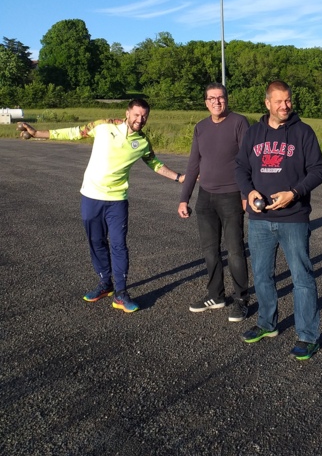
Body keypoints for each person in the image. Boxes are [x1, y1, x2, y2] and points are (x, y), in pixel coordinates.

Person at [17, 99, 185, 313]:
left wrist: (179, 177)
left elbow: (155, 164)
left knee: (119, 245)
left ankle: (121, 293)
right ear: (127, 113)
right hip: (91, 196)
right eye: (136, 114)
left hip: (117, 201)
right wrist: (37, 133)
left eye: (144, 116)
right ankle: (105, 284)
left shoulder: (142, 142)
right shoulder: (104, 126)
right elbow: (74, 132)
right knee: (96, 242)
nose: (140, 119)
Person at [235, 80, 322, 361]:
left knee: (302, 278)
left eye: (288, 100)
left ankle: (307, 336)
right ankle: (267, 324)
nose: (285, 106)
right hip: (260, 218)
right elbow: (240, 167)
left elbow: (317, 171)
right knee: (262, 275)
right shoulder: (254, 133)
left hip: (293, 217)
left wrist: (294, 193)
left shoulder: (303, 132)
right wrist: (248, 191)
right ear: (267, 103)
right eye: (279, 101)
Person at [178, 83, 250, 322]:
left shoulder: (239, 123)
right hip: (205, 197)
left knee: (235, 251)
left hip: (231, 196)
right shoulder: (201, 127)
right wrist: (184, 198)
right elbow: (193, 165)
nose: (216, 102)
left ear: (226, 99)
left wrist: (245, 195)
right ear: (206, 102)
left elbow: (248, 161)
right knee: (210, 251)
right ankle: (216, 295)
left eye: (220, 97)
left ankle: (241, 299)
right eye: (211, 98)